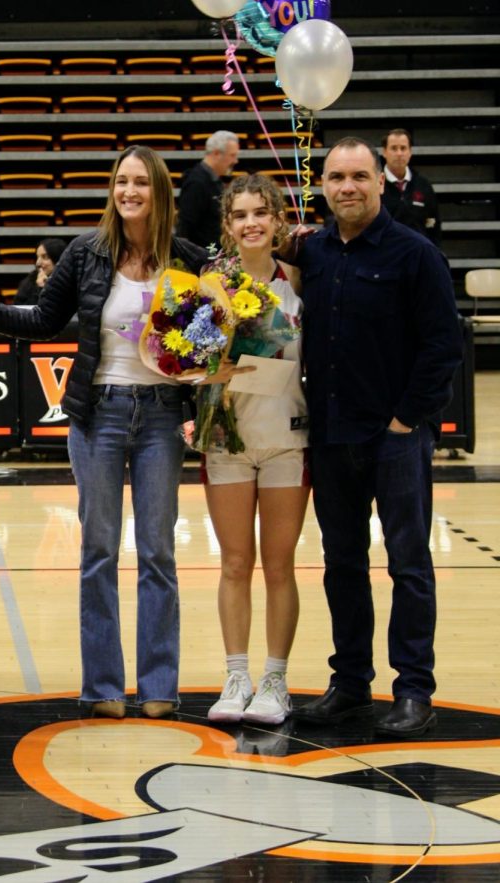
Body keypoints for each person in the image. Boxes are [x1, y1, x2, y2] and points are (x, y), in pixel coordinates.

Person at [0, 146, 208, 719]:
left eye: (140, 183)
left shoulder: (188, 258)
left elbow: (208, 342)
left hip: (160, 416)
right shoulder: (86, 252)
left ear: (159, 191)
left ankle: (159, 686)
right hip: (98, 414)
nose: (129, 192)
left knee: (159, 552)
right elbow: (42, 321)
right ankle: (103, 687)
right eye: (121, 182)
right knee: (98, 551)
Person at [284, 137, 461, 738]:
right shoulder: (314, 255)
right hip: (332, 436)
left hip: (395, 438)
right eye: (336, 177)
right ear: (324, 186)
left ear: (380, 182)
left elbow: (444, 345)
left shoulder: (416, 254)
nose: (348, 186)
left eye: (360, 175)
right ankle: (351, 683)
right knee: (342, 565)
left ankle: (413, 689)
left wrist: (406, 419)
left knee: (408, 564)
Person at [200, 175, 308, 727]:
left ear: (278, 221)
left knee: (281, 565)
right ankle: (236, 675)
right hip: (227, 441)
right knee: (236, 563)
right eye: (240, 215)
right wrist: (207, 369)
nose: (250, 223)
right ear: (228, 225)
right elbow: (190, 363)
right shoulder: (208, 286)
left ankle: (275, 679)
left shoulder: (300, 282)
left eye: (261, 214)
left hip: (288, 439)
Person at [176, 131, 240, 253]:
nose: (236, 161)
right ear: (216, 153)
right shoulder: (196, 183)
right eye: (232, 155)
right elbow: (185, 227)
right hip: (203, 261)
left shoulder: (214, 181)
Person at [380, 128, 441, 249]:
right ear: (384, 152)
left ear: (410, 152)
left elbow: (433, 225)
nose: (399, 153)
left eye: (403, 148)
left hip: (417, 257)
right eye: (394, 148)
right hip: (384, 257)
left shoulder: (423, 186)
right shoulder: (375, 185)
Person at [14, 238, 67, 305]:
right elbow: (25, 312)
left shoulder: (73, 282)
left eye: (45, 257)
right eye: (37, 257)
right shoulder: (29, 283)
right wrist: (40, 289)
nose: (38, 263)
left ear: (58, 259)